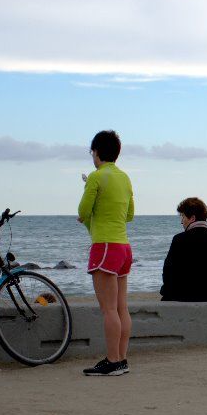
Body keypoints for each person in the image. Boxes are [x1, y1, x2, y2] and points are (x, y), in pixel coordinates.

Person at [77, 129, 134, 377]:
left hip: (105, 246)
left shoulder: (96, 177)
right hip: (123, 247)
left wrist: (90, 187)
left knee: (108, 309)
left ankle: (112, 360)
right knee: (122, 307)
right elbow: (130, 215)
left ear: (96, 152)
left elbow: (83, 209)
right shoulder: (124, 178)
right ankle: (121, 359)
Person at [160, 197, 207, 302]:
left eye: (183, 217)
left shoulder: (179, 239)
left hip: (183, 298)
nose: (182, 222)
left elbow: (168, 273)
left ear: (192, 218)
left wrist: (165, 291)